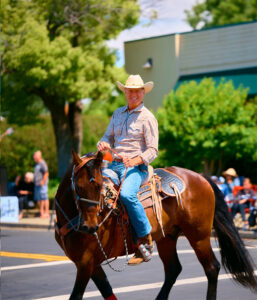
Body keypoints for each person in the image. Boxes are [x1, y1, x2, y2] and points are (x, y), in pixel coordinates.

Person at [97, 74, 158, 265]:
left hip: (136, 168)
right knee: (95, 187)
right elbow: (108, 137)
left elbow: (153, 150)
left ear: (142, 93)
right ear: (125, 92)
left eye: (137, 91)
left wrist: (135, 160)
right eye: (129, 90)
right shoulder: (117, 113)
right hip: (113, 165)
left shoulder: (147, 117)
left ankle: (145, 240)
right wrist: (103, 143)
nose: (133, 94)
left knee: (127, 195)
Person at [33, 150, 49, 218]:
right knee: (40, 199)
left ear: (39, 156)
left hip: (42, 184)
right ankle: (41, 213)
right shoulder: (37, 164)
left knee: (44, 198)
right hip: (37, 184)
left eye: (35, 156)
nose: (34, 157)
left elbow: (46, 173)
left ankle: (46, 213)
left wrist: (42, 181)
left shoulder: (42, 163)